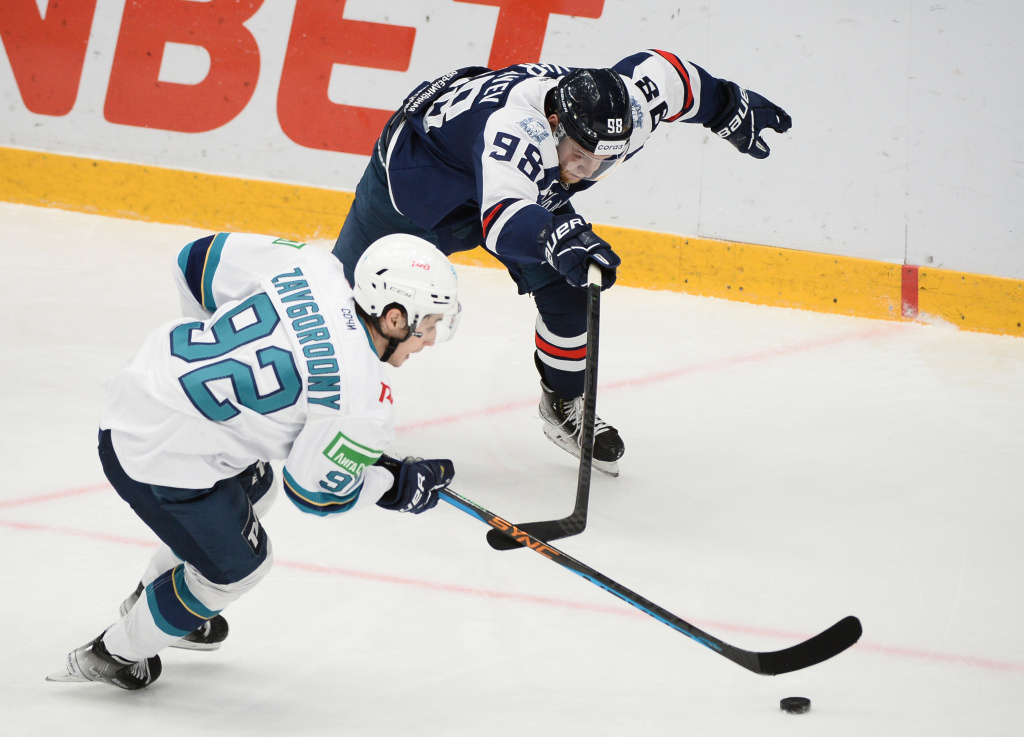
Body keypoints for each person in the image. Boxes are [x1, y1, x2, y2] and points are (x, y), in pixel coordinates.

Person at [332, 50, 792, 477]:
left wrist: (726, 106)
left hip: (513, 178)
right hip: (418, 183)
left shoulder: (630, 110)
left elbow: (673, 77)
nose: (587, 171)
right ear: (553, 124)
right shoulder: (517, 128)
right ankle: (321, 390)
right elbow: (502, 219)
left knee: (572, 290)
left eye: (604, 161)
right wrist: (553, 236)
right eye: (580, 156)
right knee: (347, 303)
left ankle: (563, 403)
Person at [47, 232, 462, 690]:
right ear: (395, 316)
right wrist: (394, 486)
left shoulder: (313, 267)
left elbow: (195, 261)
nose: (431, 339)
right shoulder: (363, 403)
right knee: (238, 570)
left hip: (143, 381)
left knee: (258, 489)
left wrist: (213, 376)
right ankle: (114, 654)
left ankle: (149, 597)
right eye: (430, 324)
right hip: (153, 456)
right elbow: (315, 494)